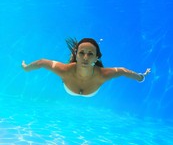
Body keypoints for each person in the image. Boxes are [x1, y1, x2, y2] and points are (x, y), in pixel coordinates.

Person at [21, 38, 151, 97]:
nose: (85, 58)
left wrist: (142, 77)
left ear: (96, 58)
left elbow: (123, 71)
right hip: (69, 89)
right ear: (75, 55)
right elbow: (42, 62)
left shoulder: (103, 74)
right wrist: (26, 68)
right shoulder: (65, 70)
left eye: (90, 54)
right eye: (81, 53)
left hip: (91, 93)